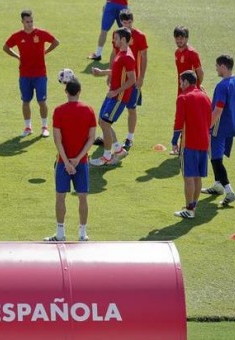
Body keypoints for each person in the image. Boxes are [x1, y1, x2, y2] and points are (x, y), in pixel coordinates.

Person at [45, 78, 96, 242]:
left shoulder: (58, 111)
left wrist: (66, 162)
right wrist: (77, 159)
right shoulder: (89, 110)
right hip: (81, 163)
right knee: (82, 197)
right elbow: (91, 138)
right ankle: (82, 233)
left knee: (60, 197)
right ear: (79, 91)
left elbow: (57, 140)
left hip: (62, 163)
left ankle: (60, 234)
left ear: (66, 92)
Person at [94, 9, 147, 151]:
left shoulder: (140, 36)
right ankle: (109, 138)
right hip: (120, 79)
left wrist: (141, 77)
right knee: (109, 110)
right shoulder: (117, 36)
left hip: (132, 81)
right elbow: (114, 54)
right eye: (124, 22)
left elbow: (144, 57)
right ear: (120, 21)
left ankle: (129, 138)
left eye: (130, 22)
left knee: (131, 109)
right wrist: (110, 74)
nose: (127, 25)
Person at [3, 10, 60, 138]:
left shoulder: (40, 33)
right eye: (27, 22)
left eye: (31, 21)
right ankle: (28, 127)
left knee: (42, 101)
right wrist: (17, 56)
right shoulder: (17, 36)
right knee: (26, 101)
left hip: (40, 74)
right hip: (24, 75)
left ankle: (44, 126)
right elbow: (6, 47)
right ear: (22, 22)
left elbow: (56, 42)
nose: (30, 24)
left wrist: (46, 52)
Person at [201, 55, 235, 206]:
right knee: (216, 155)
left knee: (216, 159)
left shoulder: (222, 86)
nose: (216, 68)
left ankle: (229, 191)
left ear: (224, 67)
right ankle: (218, 185)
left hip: (218, 127)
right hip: (230, 126)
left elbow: (218, 110)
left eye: (217, 66)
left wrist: (207, 127)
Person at [90, 27, 135, 166]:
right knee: (103, 122)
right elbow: (116, 71)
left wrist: (116, 92)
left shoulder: (127, 56)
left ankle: (107, 157)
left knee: (105, 123)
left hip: (118, 97)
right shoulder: (121, 53)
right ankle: (118, 150)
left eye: (116, 38)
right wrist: (102, 72)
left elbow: (132, 79)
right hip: (112, 94)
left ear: (123, 39)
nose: (113, 40)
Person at [171, 71, 211, 218]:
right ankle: (193, 205)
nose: (180, 85)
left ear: (186, 82)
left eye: (181, 82)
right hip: (203, 143)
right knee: (198, 177)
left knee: (189, 177)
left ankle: (189, 210)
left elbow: (178, 122)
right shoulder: (205, 97)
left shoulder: (183, 98)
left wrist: (174, 141)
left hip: (189, 143)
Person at [171, 26, 204, 155]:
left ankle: (185, 147)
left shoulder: (192, 53)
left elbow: (200, 72)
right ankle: (182, 146)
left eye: (181, 38)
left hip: (190, 92)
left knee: (188, 119)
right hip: (181, 90)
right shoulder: (177, 53)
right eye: (177, 38)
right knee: (182, 117)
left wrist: (196, 87)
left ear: (186, 38)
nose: (179, 41)